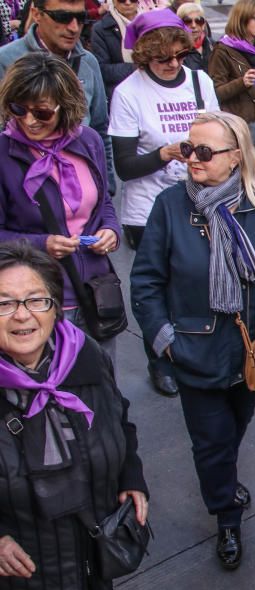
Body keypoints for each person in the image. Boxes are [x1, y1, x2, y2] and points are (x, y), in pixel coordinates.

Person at [130, 111, 255, 570]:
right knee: (211, 443)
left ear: (236, 157)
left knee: (232, 432)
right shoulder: (171, 205)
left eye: (204, 151)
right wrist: (165, 340)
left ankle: (223, 480)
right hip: (194, 351)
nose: (191, 158)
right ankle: (228, 517)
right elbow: (146, 280)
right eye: (187, 148)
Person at [0, 241, 147, 590]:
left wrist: (131, 476)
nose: (23, 315)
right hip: (26, 565)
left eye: (36, 300)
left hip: (93, 544)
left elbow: (119, 418)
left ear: (56, 306)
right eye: (5, 303)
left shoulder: (84, 355)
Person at [109, 9, 219, 396]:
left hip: (201, 201)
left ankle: (194, 350)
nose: (173, 64)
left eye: (179, 56)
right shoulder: (129, 93)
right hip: (149, 209)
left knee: (198, 280)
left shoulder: (200, 81)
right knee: (158, 288)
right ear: (144, 57)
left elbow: (222, 137)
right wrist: (164, 153)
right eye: (163, 58)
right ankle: (161, 359)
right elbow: (124, 167)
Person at [0, 53, 122, 352]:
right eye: (19, 109)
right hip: (36, 298)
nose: (29, 120)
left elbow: (103, 201)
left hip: (96, 291)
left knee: (100, 388)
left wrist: (110, 230)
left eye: (41, 113)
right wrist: (43, 244)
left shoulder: (89, 141)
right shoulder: (3, 153)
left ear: (64, 108)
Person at [0, 0, 115, 194]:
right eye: (62, 17)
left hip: (83, 194)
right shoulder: (6, 60)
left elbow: (100, 128)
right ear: (37, 14)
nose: (73, 27)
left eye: (81, 18)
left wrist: (107, 188)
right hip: (23, 198)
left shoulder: (89, 62)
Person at [207, 0, 255, 124]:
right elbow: (215, 93)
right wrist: (241, 83)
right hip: (238, 126)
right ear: (242, 20)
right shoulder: (222, 50)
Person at [89, 0, 138, 103]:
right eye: (122, 0)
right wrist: (138, 67)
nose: (128, 3)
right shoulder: (100, 29)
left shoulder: (150, 24)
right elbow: (101, 70)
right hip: (119, 96)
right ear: (114, 2)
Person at [176, 2, 212, 71]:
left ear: (204, 24)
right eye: (188, 21)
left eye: (199, 21)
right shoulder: (176, 52)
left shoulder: (214, 46)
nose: (193, 25)